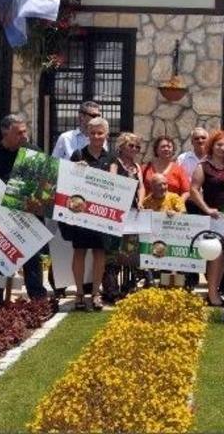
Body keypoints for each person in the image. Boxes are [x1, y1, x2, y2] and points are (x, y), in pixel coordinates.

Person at [0, 115, 49, 309]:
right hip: (1, 220)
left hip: (29, 218)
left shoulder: (34, 152)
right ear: (5, 132)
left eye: (25, 131)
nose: (24, 136)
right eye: (19, 133)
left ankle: (38, 300)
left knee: (32, 260)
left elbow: (46, 182)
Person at [50, 100, 105, 297]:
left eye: (99, 115)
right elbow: (54, 165)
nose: (96, 119)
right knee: (65, 243)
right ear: (81, 116)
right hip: (69, 198)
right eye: (93, 115)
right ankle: (59, 284)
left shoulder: (102, 140)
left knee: (91, 247)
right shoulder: (66, 138)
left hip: (92, 202)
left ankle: (88, 286)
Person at [67, 117, 115, 311]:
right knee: (79, 251)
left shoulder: (111, 157)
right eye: (93, 133)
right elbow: (68, 181)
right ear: (87, 134)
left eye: (100, 133)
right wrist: (77, 170)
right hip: (80, 213)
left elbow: (113, 183)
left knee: (99, 253)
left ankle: (96, 293)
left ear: (106, 135)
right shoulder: (78, 154)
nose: (96, 136)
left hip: (100, 214)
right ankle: (79, 292)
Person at [189, 131, 224, 306]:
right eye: (219, 145)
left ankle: (214, 291)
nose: (222, 148)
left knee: (223, 257)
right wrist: (207, 209)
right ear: (212, 145)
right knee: (215, 255)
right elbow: (193, 190)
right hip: (212, 217)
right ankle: (212, 294)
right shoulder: (203, 166)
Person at [106, 132, 146, 299]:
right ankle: (111, 289)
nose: (134, 149)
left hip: (133, 211)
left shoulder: (137, 166)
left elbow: (141, 187)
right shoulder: (115, 163)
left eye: (137, 147)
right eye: (131, 145)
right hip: (117, 210)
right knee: (114, 251)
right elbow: (112, 181)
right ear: (121, 146)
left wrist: (141, 201)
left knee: (130, 250)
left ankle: (129, 285)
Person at [143, 135, 190, 202]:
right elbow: (139, 188)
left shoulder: (179, 170)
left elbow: (186, 191)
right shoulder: (145, 169)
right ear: (156, 150)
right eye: (163, 146)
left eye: (169, 147)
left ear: (173, 150)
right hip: (148, 206)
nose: (166, 149)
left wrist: (178, 204)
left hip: (172, 207)